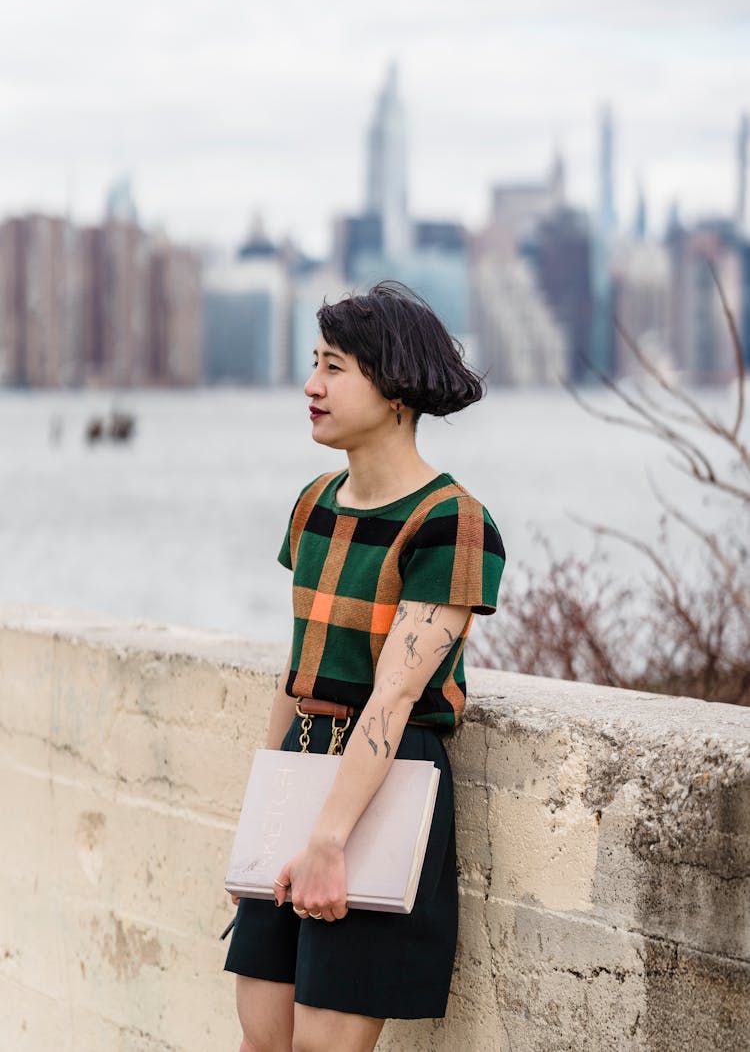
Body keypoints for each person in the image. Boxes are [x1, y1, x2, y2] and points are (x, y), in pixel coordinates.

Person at [225, 281, 505, 1052]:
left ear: (395, 391)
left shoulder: (452, 519)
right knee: (260, 1035)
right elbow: (296, 667)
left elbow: (395, 693)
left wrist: (327, 839)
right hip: (302, 761)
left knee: (322, 1045)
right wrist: (266, 807)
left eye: (335, 367)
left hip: (383, 783)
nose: (311, 385)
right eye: (314, 363)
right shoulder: (314, 501)